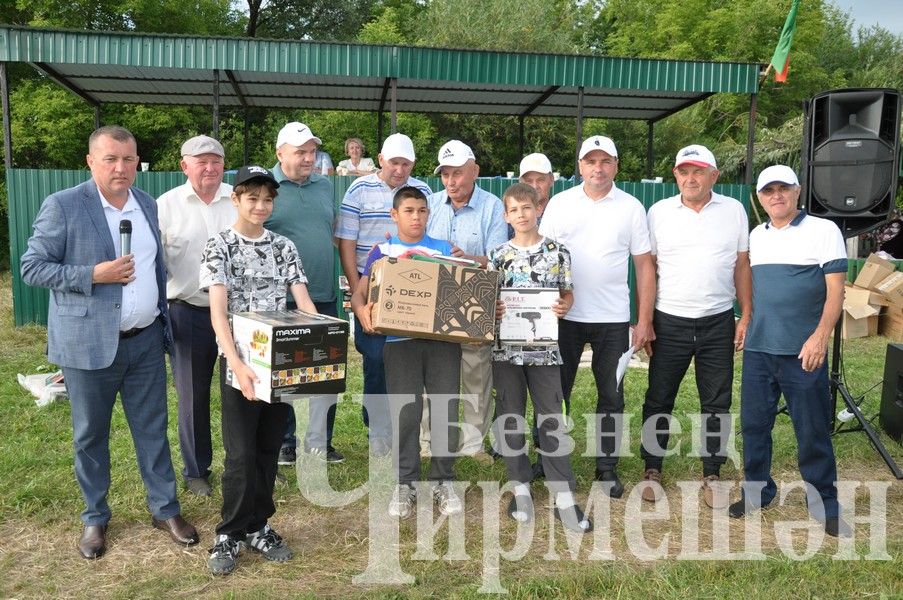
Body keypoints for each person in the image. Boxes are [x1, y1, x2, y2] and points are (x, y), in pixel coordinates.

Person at [20, 125, 199, 559]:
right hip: (88, 345)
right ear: (91, 162)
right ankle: (95, 518)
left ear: (138, 161)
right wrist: (91, 275)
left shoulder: (145, 204)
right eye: (110, 159)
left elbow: (154, 268)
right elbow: (31, 267)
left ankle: (164, 508)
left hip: (144, 342)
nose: (121, 168)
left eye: (128, 159)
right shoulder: (63, 205)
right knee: (90, 436)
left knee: (152, 430)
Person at [200, 165, 318, 575]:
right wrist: (236, 364)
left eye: (268, 199)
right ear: (236, 199)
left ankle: (259, 525)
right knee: (241, 452)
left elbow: (304, 304)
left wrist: (318, 344)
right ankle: (229, 533)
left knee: (269, 448)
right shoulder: (220, 246)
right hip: (240, 364)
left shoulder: (284, 246)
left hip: (280, 362)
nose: (261, 206)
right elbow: (218, 313)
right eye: (252, 198)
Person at [730, 165, 850, 537]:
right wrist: (747, 316)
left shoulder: (824, 231)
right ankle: (758, 491)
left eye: (784, 188)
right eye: (769, 191)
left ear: (798, 191)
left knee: (811, 428)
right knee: (754, 425)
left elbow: (836, 292)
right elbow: (751, 284)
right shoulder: (757, 235)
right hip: (760, 350)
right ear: (760, 198)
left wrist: (820, 337)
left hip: (804, 352)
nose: (776, 196)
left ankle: (824, 502)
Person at [538, 135, 655, 498]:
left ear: (616, 166)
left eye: (605, 161)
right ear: (580, 166)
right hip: (564, 316)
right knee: (554, 393)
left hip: (613, 318)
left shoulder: (632, 207)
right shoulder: (560, 204)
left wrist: (645, 319)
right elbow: (542, 260)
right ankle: (547, 461)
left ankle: (606, 469)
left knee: (611, 395)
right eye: (591, 162)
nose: (598, 168)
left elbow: (645, 266)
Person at [640, 145, 751, 508]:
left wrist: (745, 314)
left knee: (717, 402)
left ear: (714, 176)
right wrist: (646, 320)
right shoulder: (658, 213)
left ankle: (712, 473)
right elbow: (647, 270)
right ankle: (652, 469)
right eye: (684, 171)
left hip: (718, 320)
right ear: (675, 175)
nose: (690, 178)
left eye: (698, 171)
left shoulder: (734, 211)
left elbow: (741, 266)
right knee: (659, 397)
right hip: (669, 319)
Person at [351, 186, 463, 518]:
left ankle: (444, 480)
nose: (416, 217)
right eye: (409, 211)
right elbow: (360, 293)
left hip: (443, 344)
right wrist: (362, 312)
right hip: (399, 344)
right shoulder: (382, 251)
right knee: (406, 413)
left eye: (422, 211)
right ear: (395, 215)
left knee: (445, 409)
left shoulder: (444, 250)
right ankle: (405, 483)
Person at [490, 183, 591, 533]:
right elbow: (489, 302)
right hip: (506, 350)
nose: (521, 214)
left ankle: (563, 493)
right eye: (514, 210)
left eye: (527, 208)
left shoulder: (557, 252)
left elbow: (568, 295)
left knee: (551, 417)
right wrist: (496, 307)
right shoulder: (498, 255)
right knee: (511, 416)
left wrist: (565, 306)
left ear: (538, 210)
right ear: (507, 216)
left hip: (546, 349)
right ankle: (519, 487)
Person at [334, 133, 432, 455]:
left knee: (405, 361)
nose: (400, 170)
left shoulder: (422, 191)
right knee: (375, 360)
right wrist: (356, 293)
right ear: (380, 160)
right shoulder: (358, 189)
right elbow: (347, 242)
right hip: (370, 289)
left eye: (406, 164)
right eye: (394, 162)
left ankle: (405, 430)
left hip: (412, 290)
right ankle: (377, 428)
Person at [157, 135, 236, 497]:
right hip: (187, 312)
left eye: (215, 161)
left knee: (243, 391)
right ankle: (196, 470)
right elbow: (152, 264)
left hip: (238, 314)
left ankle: (242, 462)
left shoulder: (238, 199)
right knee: (192, 395)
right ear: (184, 165)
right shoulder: (165, 206)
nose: (209, 167)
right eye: (200, 161)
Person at [266, 122, 344, 464]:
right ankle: (285, 442)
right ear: (280, 153)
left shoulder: (324, 185)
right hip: (280, 299)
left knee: (324, 372)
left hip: (324, 293)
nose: (309, 158)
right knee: (284, 374)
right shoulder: (266, 187)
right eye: (301, 152)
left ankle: (320, 441)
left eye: (312, 151)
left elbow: (331, 233)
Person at [426, 140, 507, 463]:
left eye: (457, 173)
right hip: (434, 305)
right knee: (431, 376)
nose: (451, 181)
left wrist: (467, 258)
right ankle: (428, 441)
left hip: (475, 301)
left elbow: (500, 258)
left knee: (476, 373)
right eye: (445, 174)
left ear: (474, 171)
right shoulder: (429, 204)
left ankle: (473, 446)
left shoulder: (492, 207)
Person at [509, 152, 554, 239]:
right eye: (529, 181)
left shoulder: (562, 212)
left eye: (540, 180)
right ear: (520, 182)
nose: (534, 186)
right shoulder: (511, 216)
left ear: (551, 180)